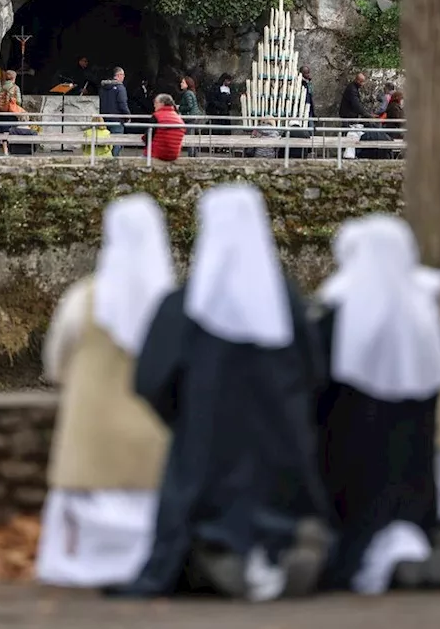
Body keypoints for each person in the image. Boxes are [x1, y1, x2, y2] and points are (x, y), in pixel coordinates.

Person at [113, 185, 331, 601]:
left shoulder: (183, 305)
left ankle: (216, 549)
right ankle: (276, 546)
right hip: (280, 446)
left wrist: (185, 417)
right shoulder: (288, 301)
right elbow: (314, 370)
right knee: (283, 501)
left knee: (196, 507)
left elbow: (151, 380)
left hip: (205, 446)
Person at [313, 215, 440, 594]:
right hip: (415, 468)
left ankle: (388, 563)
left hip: (350, 468)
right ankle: (427, 548)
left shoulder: (337, 312)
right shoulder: (423, 315)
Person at [36, 195, 175, 587]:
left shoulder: (85, 298)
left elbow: (55, 363)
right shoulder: (173, 305)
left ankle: (83, 567)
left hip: (92, 438)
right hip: (152, 439)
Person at [98, 67, 130, 157]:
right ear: (119, 75)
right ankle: (114, 162)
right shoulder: (120, 88)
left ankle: (105, 159)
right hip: (117, 119)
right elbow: (122, 103)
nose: (124, 77)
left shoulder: (103, 88)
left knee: (106, 142)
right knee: (117, 142)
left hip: (104, 119)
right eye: (123, 75)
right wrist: (128, 116)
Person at [145, 94, 186, 163]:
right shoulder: (179, 119)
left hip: (157, 153)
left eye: (155, 102)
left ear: (162, 103)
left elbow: (148, 137)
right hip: (174, 155)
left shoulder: (157, 116)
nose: (154, 105)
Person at [178, 76, 201, 157]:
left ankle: (191, 155)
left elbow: (190, 106)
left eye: (183, 82)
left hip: (190, 117)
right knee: (192, 136)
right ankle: (193, 154)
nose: (181, 84)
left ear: (187, 84)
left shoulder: (187, 93)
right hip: (194, 117)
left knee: (190, 136)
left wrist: (180, 108)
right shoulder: (190, 92)